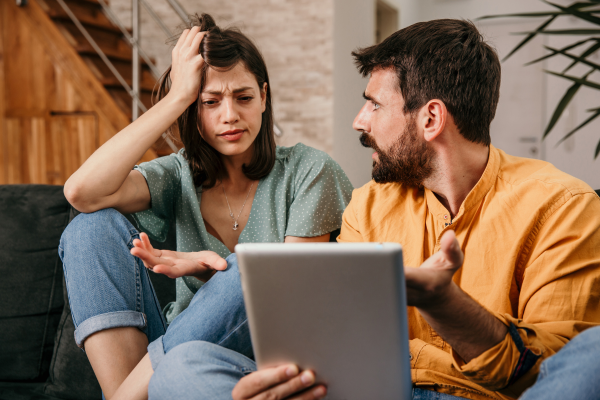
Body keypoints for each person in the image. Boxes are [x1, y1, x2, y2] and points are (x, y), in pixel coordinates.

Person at [142, 19, 600, 400]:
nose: (359, 121)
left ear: (431, 118)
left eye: (374, 105)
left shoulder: (562, 207)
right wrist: (292, 380)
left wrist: (445, 306)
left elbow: (547, 374)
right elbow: (335, 345)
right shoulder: (368, 205)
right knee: (185, 366)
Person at [59, 14, 353, 400]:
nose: (229, 115)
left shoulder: (310, 171)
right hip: (174, 359)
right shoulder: (178, 176)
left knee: (255, 273)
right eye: (209, 102)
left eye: (244, 98)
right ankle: (128, 393)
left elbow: (290, 306)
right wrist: (177, 97)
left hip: (259, 364)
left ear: (264, 97)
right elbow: (82, 192)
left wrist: (213, 270)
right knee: (87, 229)